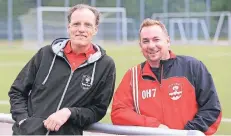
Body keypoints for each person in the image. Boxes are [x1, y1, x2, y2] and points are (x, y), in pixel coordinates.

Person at [8, 4, 116, 135]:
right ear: (68, 27)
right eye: (76, 24)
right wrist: (24, 121)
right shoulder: (45, 54)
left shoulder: (105, 65)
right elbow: (17, 91)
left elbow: (97, 110)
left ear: (95, 29)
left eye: (87, 25)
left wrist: (69, 112)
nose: (81, 29)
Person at [111, 18, 221, 135]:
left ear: (168, 41)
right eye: (146, 41)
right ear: (140, 45)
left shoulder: (192, 67)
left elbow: (212, 109)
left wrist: (185, 133)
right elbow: (118, 113)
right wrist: (154, 126)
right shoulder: (132, 75)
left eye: (156, 39)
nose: (151, 45)